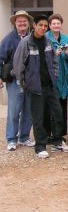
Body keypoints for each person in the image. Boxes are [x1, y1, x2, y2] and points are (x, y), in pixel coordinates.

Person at [13, 14, 68, 158]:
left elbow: (54, 61)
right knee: (38, 118)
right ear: (34, 25)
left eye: (45, 26)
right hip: (35, 88)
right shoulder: (25, 43)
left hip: (50, 86)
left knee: (58, 114)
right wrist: (24, 83)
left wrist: (54, 76)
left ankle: (57, 141)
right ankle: (40, 147)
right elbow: (18, 65)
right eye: (41, 25)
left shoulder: (48, 41)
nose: (43, 28)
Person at [0, 10, 34, 151]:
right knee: (14, 111)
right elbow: (0, 58)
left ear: (28, 23)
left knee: (28, 110)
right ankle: (12, 139)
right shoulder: (8, 39)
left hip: (30, 80)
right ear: (15, 22)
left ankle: (24, 137)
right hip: (14, 81)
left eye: (24, 21)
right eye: (19, 21)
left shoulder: (33, 37)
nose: (22, 23)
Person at [45, 13, 68, 138]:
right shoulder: (45, 38)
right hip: (51, 78)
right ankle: (49, 134)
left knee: (62, 106)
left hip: (64, 78)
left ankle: (60, 134)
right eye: (53, 24)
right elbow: (43, 57)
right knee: (50, 108)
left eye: (58, 23)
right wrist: (54, 54)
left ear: (61, 25)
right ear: (50, 25)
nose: (56, 25)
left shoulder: (67, 38)